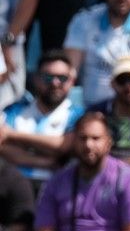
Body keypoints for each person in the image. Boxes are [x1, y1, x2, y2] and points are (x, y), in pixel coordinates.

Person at [3, 49, 82, 188]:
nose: (55, 83)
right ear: (36, 79)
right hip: (13, 189)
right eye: (48, 77)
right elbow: (2, 145)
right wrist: (45, 161)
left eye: (62, 78)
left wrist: (12, 135)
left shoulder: (78, 115)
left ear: (72, 81)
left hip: (58, 190)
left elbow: (63, 146)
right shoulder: (15, 109)